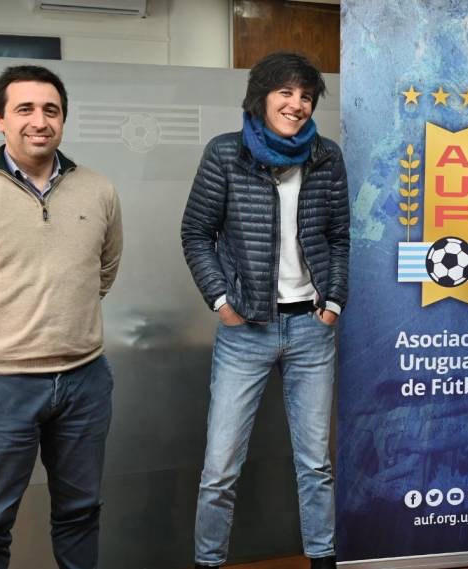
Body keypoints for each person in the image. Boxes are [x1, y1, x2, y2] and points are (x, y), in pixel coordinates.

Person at [181, 52, 349, 569]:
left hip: (311, 328)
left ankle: (322, 559)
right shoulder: (226, 152)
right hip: (245, 330)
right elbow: (196, 233)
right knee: (220, 467)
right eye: (285, 92)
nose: (296, 104)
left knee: (315, 464)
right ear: (262, 96)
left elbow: (339, 237)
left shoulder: (326, 156)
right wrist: (222, 302)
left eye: (306, 96)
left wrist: (333, 303)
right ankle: (208, 561)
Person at [0, 65, 123, 569]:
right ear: (0, 119)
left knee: (80, 513)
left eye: (51, 110)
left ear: (63, 119)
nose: (39, 121)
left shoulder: (98, 189)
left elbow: (104, 270)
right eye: (24, 109)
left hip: (84, 381)